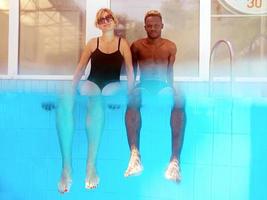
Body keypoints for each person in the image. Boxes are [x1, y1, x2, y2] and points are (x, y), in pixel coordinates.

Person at [57, 8, 134, 193]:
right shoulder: (93, 43)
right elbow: (81, 68)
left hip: (111, 86)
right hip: (92, 83)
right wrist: (71, 87)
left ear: (114, 21)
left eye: (108, 18)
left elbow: (130, 70)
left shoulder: (123, 43)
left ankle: (91, 166)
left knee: (97, 99)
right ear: (97, 24)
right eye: (101, 19)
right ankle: (66, 168)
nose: (105, 21)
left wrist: (131, 93)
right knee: (65, 100)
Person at [124, 10, 186, 183]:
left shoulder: (170, 46)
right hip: (144, 84)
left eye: (156, 25)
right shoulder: (136, 46)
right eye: (149, 26)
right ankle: (134, 156)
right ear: (145, 27)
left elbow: (170, 73)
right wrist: (131, 88)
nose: (152, 28)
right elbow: (133, 72)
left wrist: (173, 89)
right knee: (133, 97)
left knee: (180, 98)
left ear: (162, 26)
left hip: (162, 85)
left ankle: (174, 161)